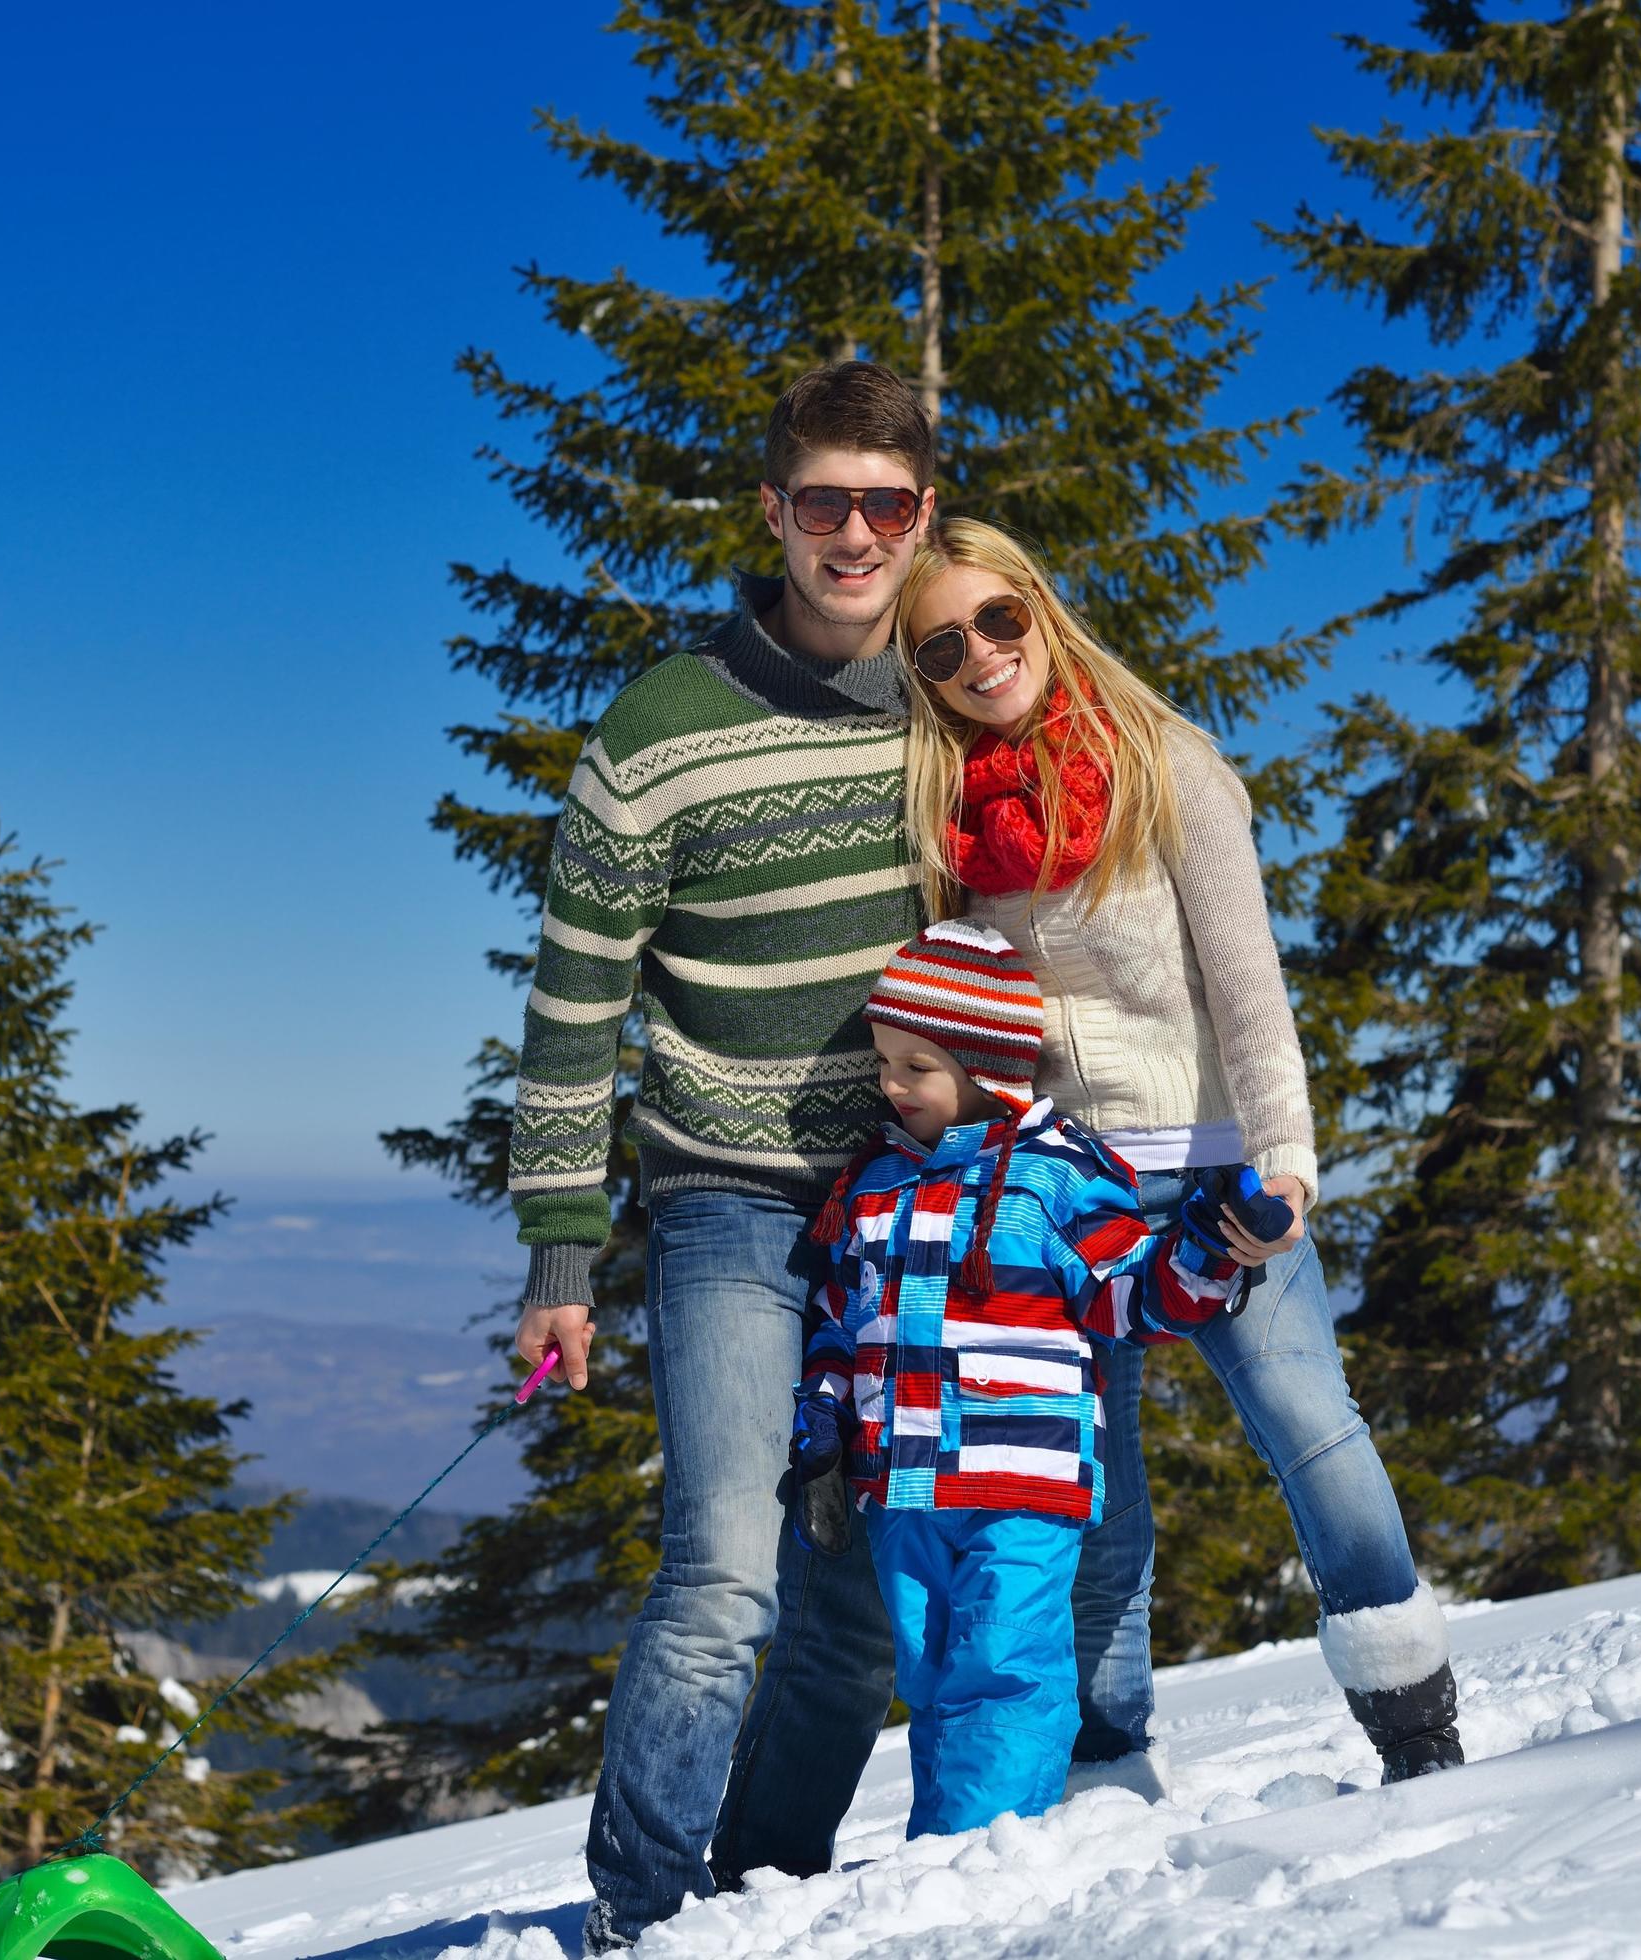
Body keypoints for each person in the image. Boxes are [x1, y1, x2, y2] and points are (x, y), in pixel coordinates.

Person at [886, 516, 1463, 1787]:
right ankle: (1107, 1769)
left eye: (997, 620)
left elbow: (1250, 992)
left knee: (1314, 1430)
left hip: (1214, 1176)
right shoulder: (948, 820)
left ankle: (1417, 1727)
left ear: (1040, 608)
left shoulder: (1168, 768)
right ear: (920, 677)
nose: (979, 655)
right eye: (940, 646)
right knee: (1094, 1493)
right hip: (1062, 1196)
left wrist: (1288, 1166)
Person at [505, 361, 936, 1952]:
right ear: (774, 513)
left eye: (883, 506)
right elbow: (572, 1010)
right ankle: (632, 1923)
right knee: (722, 1579)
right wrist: (561, 1258)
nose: (853, 534)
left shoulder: (949, 705)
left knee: (857, 1612)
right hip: (726, 1203)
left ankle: (754, 1906)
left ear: (920, 518)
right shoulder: (658, 731)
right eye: (822, 501)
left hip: (912, 1214)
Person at [792, 920, 1251, 1837]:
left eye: (915, 1065)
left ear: (985, 1064)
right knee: (926, 1669)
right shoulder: (876, 1183)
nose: (889, 1084)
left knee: (1002, 1660)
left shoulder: (1057, 1175)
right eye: (885, 1061)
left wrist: (1204, 1248)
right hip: (903, 1485)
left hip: (1021, 1480)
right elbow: (842, 1318)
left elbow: (1127, 1300)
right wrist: (824, 1421)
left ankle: (976, 1852)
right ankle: (957, 1842)